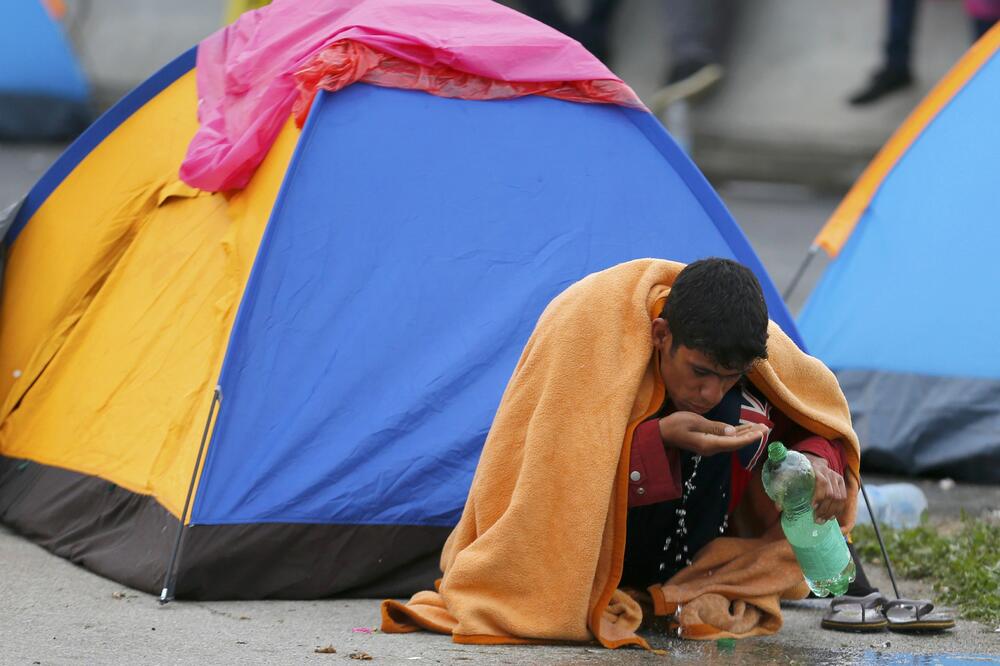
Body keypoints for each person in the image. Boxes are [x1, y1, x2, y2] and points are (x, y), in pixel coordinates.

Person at [620, 258, 856, 589]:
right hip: (609, 550)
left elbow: (817, 422)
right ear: (661, 334)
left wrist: (815, 461)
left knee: (738, 411)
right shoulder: (611, 353)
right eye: (699, 372)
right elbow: (567, 463)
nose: (711, 393)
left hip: (699, 552)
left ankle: (687, 581)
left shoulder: (741, 384)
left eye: (730, 377)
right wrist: (659, 439)